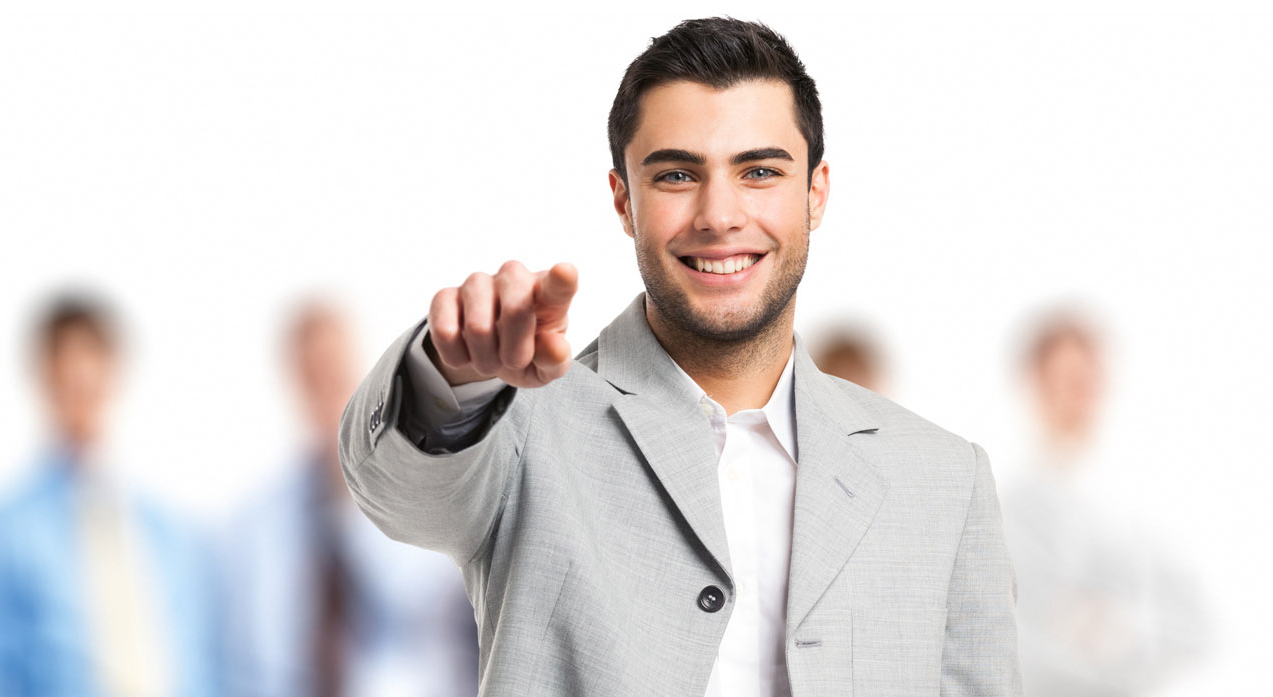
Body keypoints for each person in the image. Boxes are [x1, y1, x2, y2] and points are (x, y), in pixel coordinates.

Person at [338, 18, 1019, 696]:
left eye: (759, 171)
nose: (719, 215)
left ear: (815, 193)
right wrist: (450, 374)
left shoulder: (946, 481)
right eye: (676, 175)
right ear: (623, 201)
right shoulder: (524, 430)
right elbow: (401, 496)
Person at [0, 293, 224, 697]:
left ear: (116, 375)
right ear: (43, 379)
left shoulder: (171, 532)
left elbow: (202, 662)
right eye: (68, 380)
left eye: (93, 377)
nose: (83, 390)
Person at [224, 299, 478, 697]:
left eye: (336, 373)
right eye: (313, 377)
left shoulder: (429, 496)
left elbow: (430, 622)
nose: (327, 392)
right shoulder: (257, 526)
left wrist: (351, 480)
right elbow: (247, 664)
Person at [1002, 310, 1208, 696]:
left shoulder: (1139, 503)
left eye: (1087, 380)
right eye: (1065, 381)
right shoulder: (1012, 511)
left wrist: (1114, 633)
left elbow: (1194, 626)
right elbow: (1030, 637)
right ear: (1036, 385)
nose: (1078, 395)